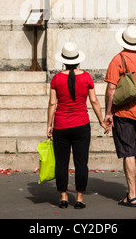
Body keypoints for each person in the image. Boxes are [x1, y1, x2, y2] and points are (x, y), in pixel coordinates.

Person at [47, 41, 108, 209]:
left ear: (63, 60)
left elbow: (53, 104)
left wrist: (49, 124)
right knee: (81, 163)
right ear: (78, 60)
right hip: (82, 125)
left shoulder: (57, 78)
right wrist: (102, 121)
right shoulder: (87, 77)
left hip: (61, 126)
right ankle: (80, 198)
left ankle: (64, 197)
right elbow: (94, 100)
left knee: (62, 163)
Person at [104, 25, 136, 207]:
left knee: (128, 152)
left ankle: (132, 196)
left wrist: (108, 112)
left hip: (124, 113)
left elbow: (111, 88)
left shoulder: (117, 60)